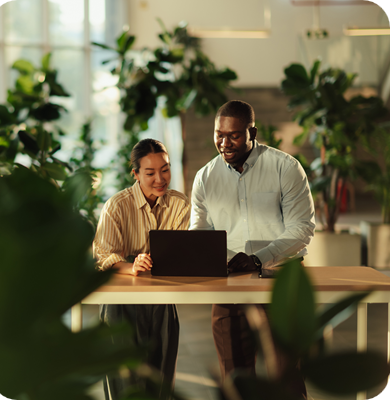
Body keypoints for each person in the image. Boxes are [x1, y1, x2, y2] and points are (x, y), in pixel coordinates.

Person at [189, 100, 315, 397]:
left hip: (281, 282)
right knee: (235, 379)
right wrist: (222, 260)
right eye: (219, 134)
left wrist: (258, 260)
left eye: (233, 135)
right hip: (228, 284)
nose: (224, 143)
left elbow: (301, 228)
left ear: (252, 132)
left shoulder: (285, 167)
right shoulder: (205, 177)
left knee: (286, 374)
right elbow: (199, 234)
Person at [93, 138, 190, 400]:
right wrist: (131, 265)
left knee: (161, 380)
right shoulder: (117, 205)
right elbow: (102, 256)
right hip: (120, 301)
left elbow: (184, 252)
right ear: (135, 174)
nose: (160, 178)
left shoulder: (180, 204)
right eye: (150, 173)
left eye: (165, 169)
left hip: (162, 299)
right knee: (123, 381)